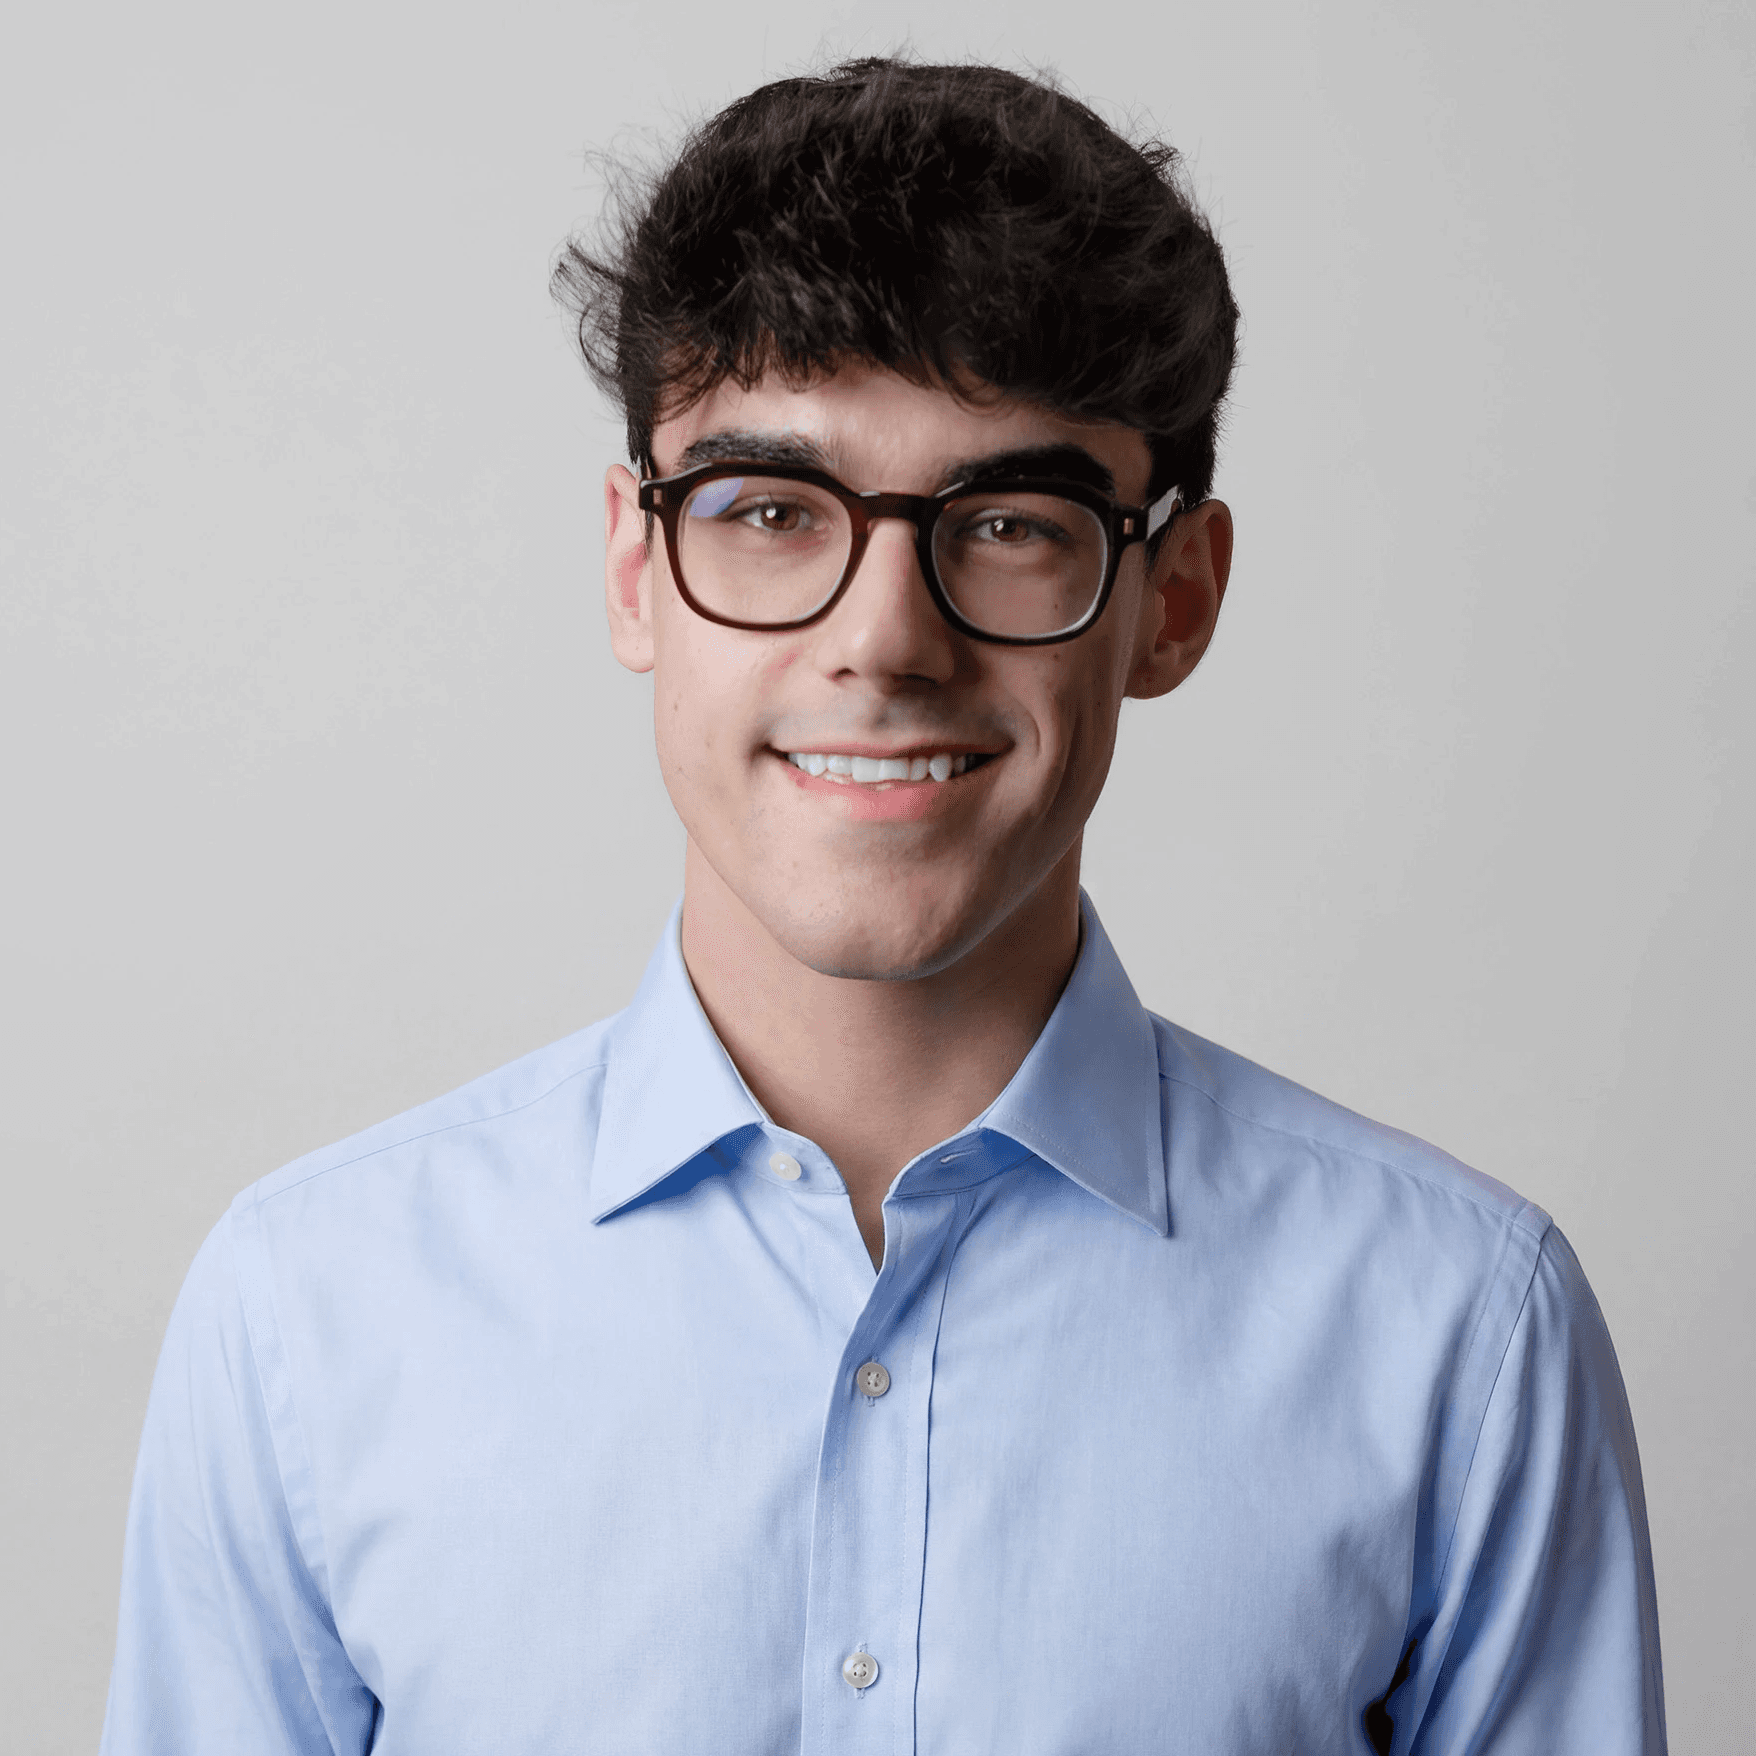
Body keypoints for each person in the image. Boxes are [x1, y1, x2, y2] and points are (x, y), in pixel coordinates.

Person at [100, 56, 1666, 1756]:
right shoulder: (309, 1314)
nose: (886, 639)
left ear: (1176, 601)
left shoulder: (1460, 1333)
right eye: (770, 512)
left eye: (1009, 523)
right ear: (639, 571)